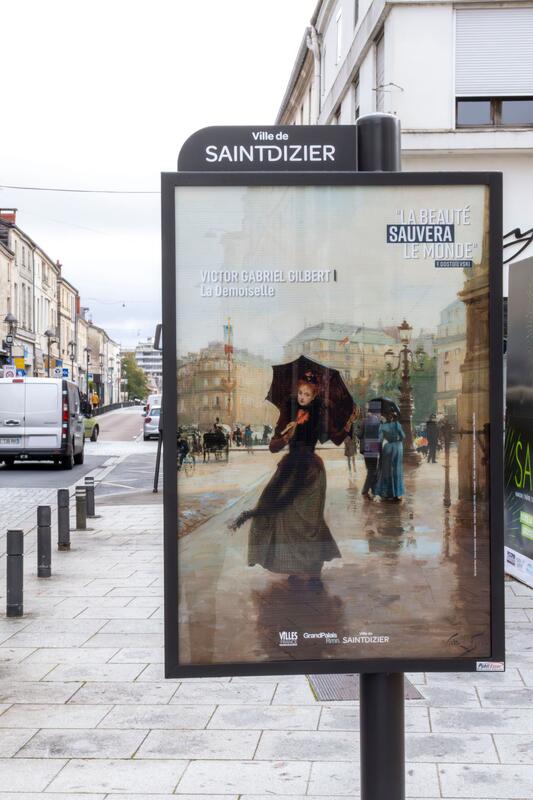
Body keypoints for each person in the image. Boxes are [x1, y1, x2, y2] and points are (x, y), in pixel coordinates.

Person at [229, 372, 356, 589]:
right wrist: (285, 436)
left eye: (307, 394)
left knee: (309, 522)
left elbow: (335, 438)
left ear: (314, 396)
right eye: (300, 393)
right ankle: (293, 564)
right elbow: (272, 447)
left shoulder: (320, 414)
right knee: (281, 515)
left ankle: (313, 567)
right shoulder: (288, 413)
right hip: (289, 467)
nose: (302, 397)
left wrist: (348, 424)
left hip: (311, 471)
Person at [374, 411, 406, 501]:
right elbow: (403, 436)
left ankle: (388, 493)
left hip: (388, 448)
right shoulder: (397, 424)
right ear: (393, 417)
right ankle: (397, 493)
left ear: (386, 418)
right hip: (398, 448)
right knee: (397, 470)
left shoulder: (383, 426)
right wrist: (398, 439)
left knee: (386, 470)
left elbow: (379, 440)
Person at [356, 402, 381, 498]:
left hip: (366, 447)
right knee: (372, 469)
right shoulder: (378, 421)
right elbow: (380, 435)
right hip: (373, 446)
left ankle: (374, 490)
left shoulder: (364, 421)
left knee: (371, 469)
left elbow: (358, 435)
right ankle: (365, 490)